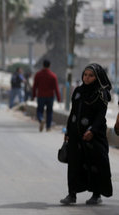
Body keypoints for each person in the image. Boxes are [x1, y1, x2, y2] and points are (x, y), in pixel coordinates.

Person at [60, 63, 113, 205]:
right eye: (85, 75)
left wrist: (92, 130)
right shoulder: (78, 91)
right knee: (74, 164)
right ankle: (72, 194)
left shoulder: (101, 94)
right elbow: (73, 112)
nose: (87, 78)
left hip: (94, 135)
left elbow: (101, 115)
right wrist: (68, 131)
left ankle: (96, 194)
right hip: (76, 134)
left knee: (96, 163)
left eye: (90, 76)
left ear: (97, 77)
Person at [32, 59, 61, 132]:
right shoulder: (53, 76)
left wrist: (33, 95)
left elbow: (35, 86)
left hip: (41, 96)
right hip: (50, 96)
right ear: (49, 65)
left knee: (39, 110)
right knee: (49, 112)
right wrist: (58, 98)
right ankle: (48, 127)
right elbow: (56, 88)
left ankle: (41, 119)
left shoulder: (38, 74)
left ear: (43, 65)